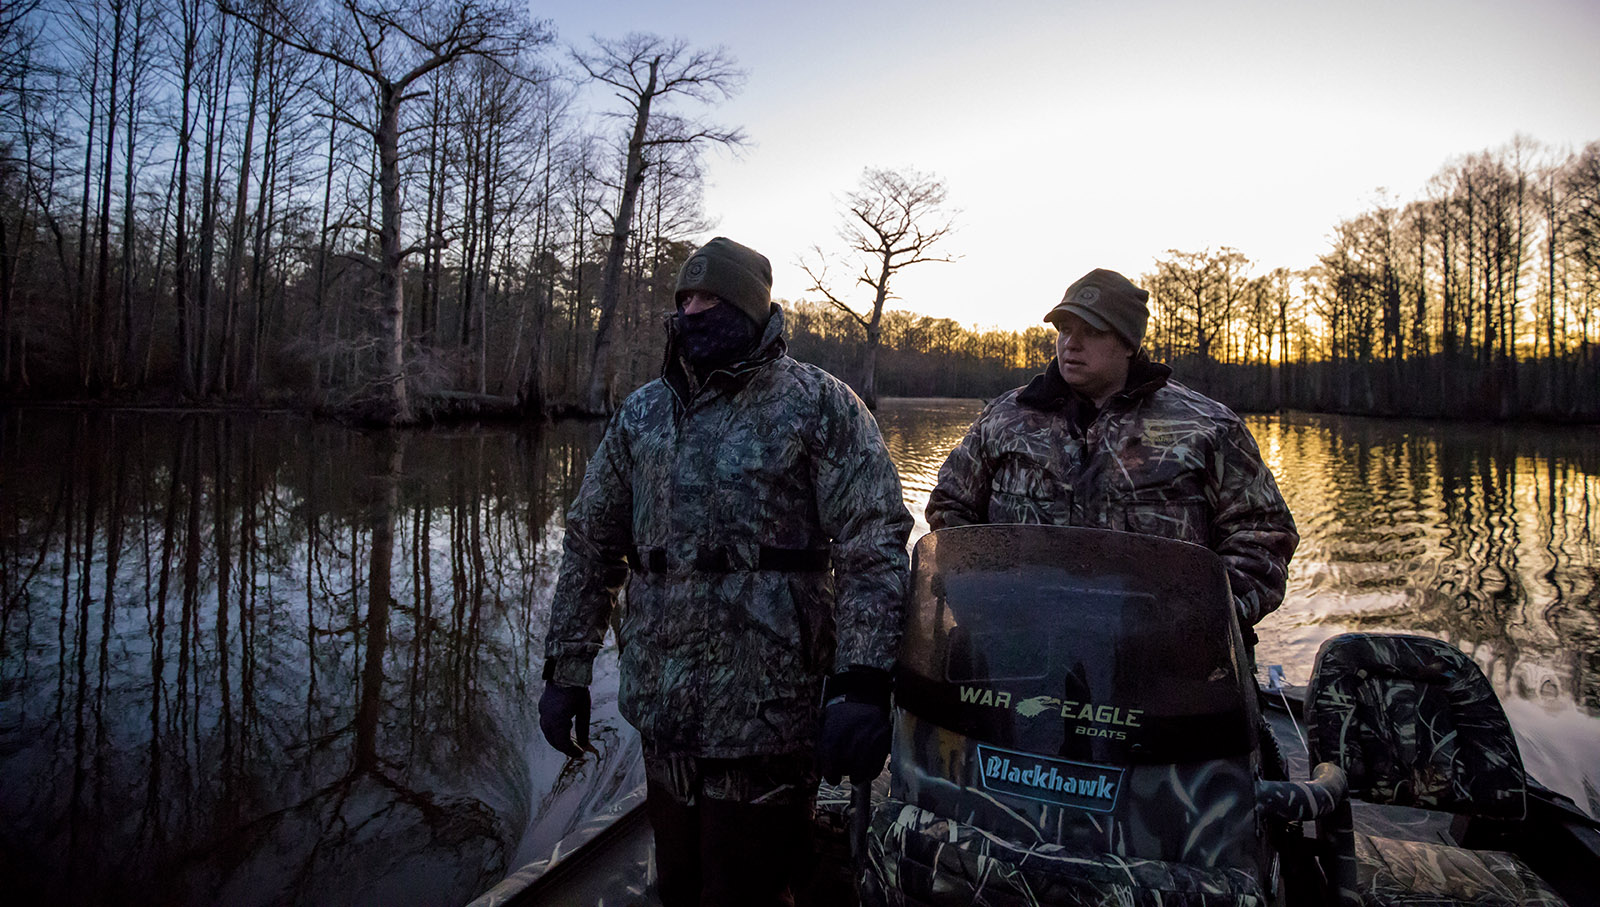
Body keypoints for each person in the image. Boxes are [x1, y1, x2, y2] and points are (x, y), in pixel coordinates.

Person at [538, 237, 913, 906]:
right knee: (680, 880)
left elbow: (872, 540)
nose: (692, 310)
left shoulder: (818, 403)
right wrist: (566, 668)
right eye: (684, 299)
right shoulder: (644, 412)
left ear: (749, 306)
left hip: (770, 707)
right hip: (664, 703)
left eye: (709, 298)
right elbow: (592, 541)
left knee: (751, 887)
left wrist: (863, 680)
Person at [925, 267, 1298, 638]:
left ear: (1129, 343)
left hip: (1161, 660)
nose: (1071, 343)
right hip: (1018, 645)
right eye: (1065, 328)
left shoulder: (1208, 427)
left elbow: (1262, 537)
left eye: (1092, 331)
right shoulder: (1005, 417)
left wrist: (1200, 619)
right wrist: (980, 596)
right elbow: (950, 508)